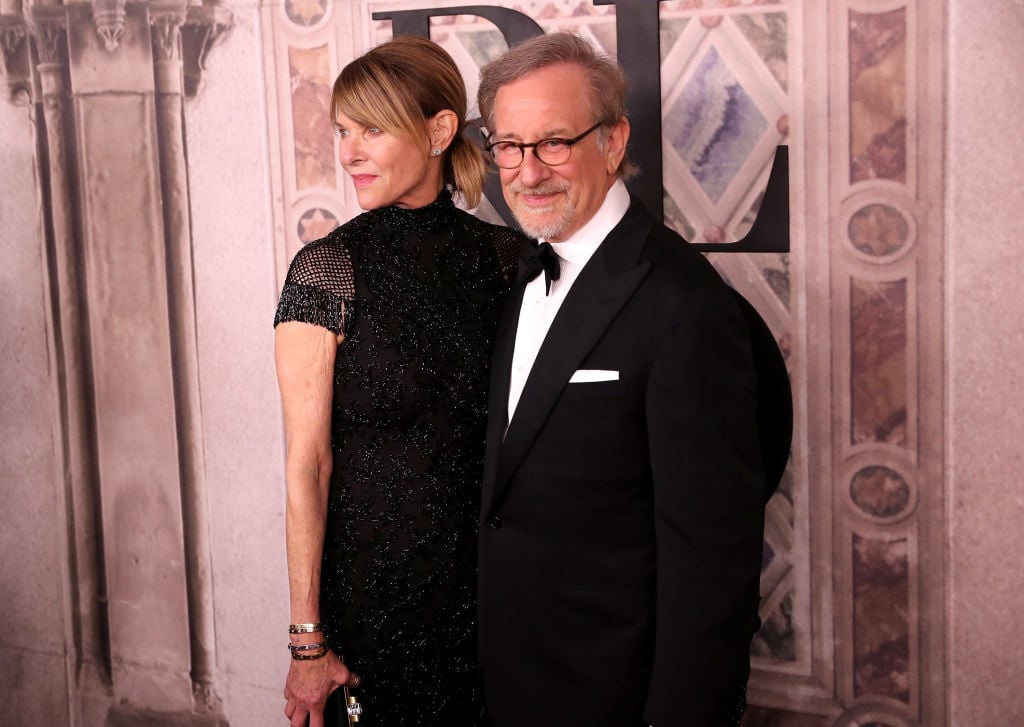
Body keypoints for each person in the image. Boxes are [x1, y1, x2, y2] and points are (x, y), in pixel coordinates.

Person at [475, 32, 793, 726]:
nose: (528, 172)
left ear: (613, 142)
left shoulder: (685, 306)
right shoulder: (523, 272)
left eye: (555, 141)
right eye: (509, 146)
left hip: (616, 696)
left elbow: (711, 568)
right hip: (514, 683)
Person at [274, 35, 523, 727]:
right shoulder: (327, 270)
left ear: (440, 130)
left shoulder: (509, 261)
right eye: (343, 131)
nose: (349, 152)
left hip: (493, 608)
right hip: (372, 614)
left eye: (371, 130)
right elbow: (306, 466)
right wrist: (306, 643)